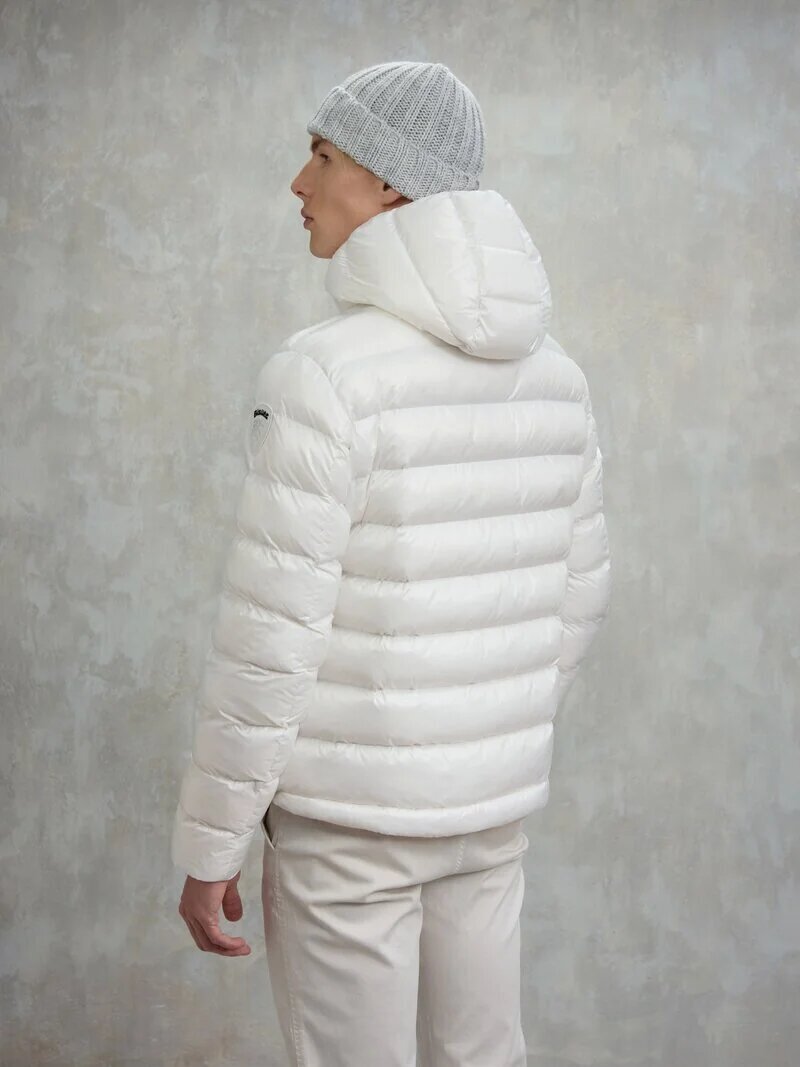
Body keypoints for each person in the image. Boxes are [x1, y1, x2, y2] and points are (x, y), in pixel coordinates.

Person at [172, 60, 612, 1067]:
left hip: (349, 827)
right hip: (488, 810)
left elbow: (271, 638)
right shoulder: (557, 378)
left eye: (322, 155)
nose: (298, 182)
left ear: (387, 181)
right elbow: (580, 593)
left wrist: (211, 841)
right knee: (481, 1053)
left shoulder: (324, 375)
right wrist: (480, 732)